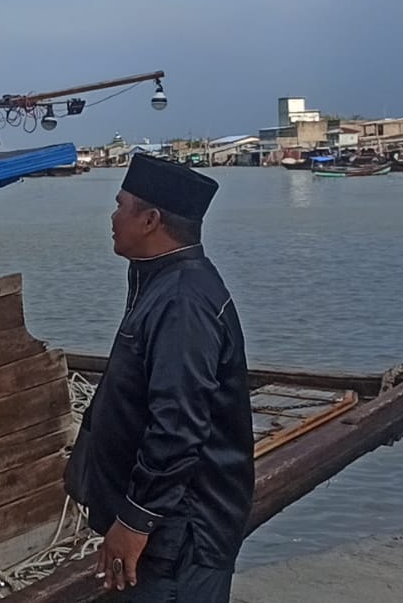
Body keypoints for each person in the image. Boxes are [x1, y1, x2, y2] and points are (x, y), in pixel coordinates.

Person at [65, 154, 254, 601]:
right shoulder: (160, 282)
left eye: (121, 206)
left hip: (179, 532)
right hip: (162, 525)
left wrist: (136, 519)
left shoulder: (183, 301)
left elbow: (178, 425)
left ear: (150, 220)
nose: (112, 217)